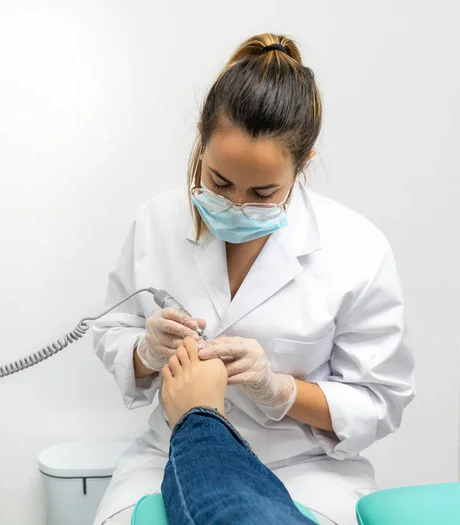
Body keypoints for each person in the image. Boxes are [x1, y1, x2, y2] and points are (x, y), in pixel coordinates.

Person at [92, 33, 415, 525]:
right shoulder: (156, 221)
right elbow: (111, 335)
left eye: (263, 192)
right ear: (201, 137)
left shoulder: (357, 248)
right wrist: (146, 352)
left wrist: (279, 390)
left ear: (302, 166)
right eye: (219, 182)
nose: (236, 204)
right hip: (167, 453)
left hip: (302, 468)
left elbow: (379, 401)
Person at [160, 337, 316, 525]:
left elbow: (360, 401)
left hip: (304, 461)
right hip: (156, 451)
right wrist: (142, 355)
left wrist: (279, 389)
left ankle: (199, 423)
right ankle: (201, 425)